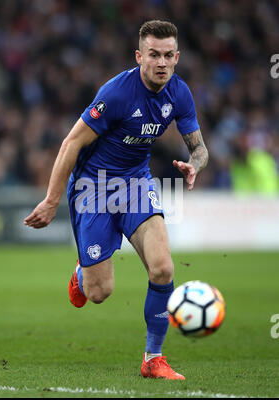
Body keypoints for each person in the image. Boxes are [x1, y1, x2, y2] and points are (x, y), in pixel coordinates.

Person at [24, 20, 208, 380]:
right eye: (154, 54)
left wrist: (194, 165)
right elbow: (71, 144)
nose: (161, 63)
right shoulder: (117, 94)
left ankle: (153, 358)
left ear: (177, 57)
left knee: (163, 268)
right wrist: (51, 200)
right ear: (140, 56)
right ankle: (82, 273)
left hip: (136, 184)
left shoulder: (180, 93)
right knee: (99, 293)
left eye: (168, 56)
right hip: (94, 189)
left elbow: (199, 147)